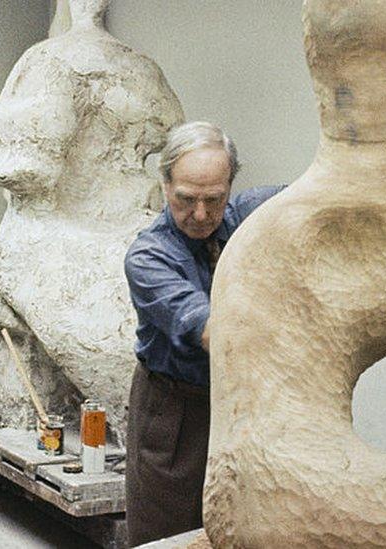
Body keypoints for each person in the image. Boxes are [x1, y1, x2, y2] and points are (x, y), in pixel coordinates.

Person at [123, 121, 284, 545]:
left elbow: (318, 195)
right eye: (186, 200)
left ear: (230, 187)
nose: (200, 215)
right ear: (164, 185)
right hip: (176, 415)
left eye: (214, 200)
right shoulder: (148, 257)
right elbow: (213, 330)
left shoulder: (249, 215)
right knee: (169, 535)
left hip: (242, 405)